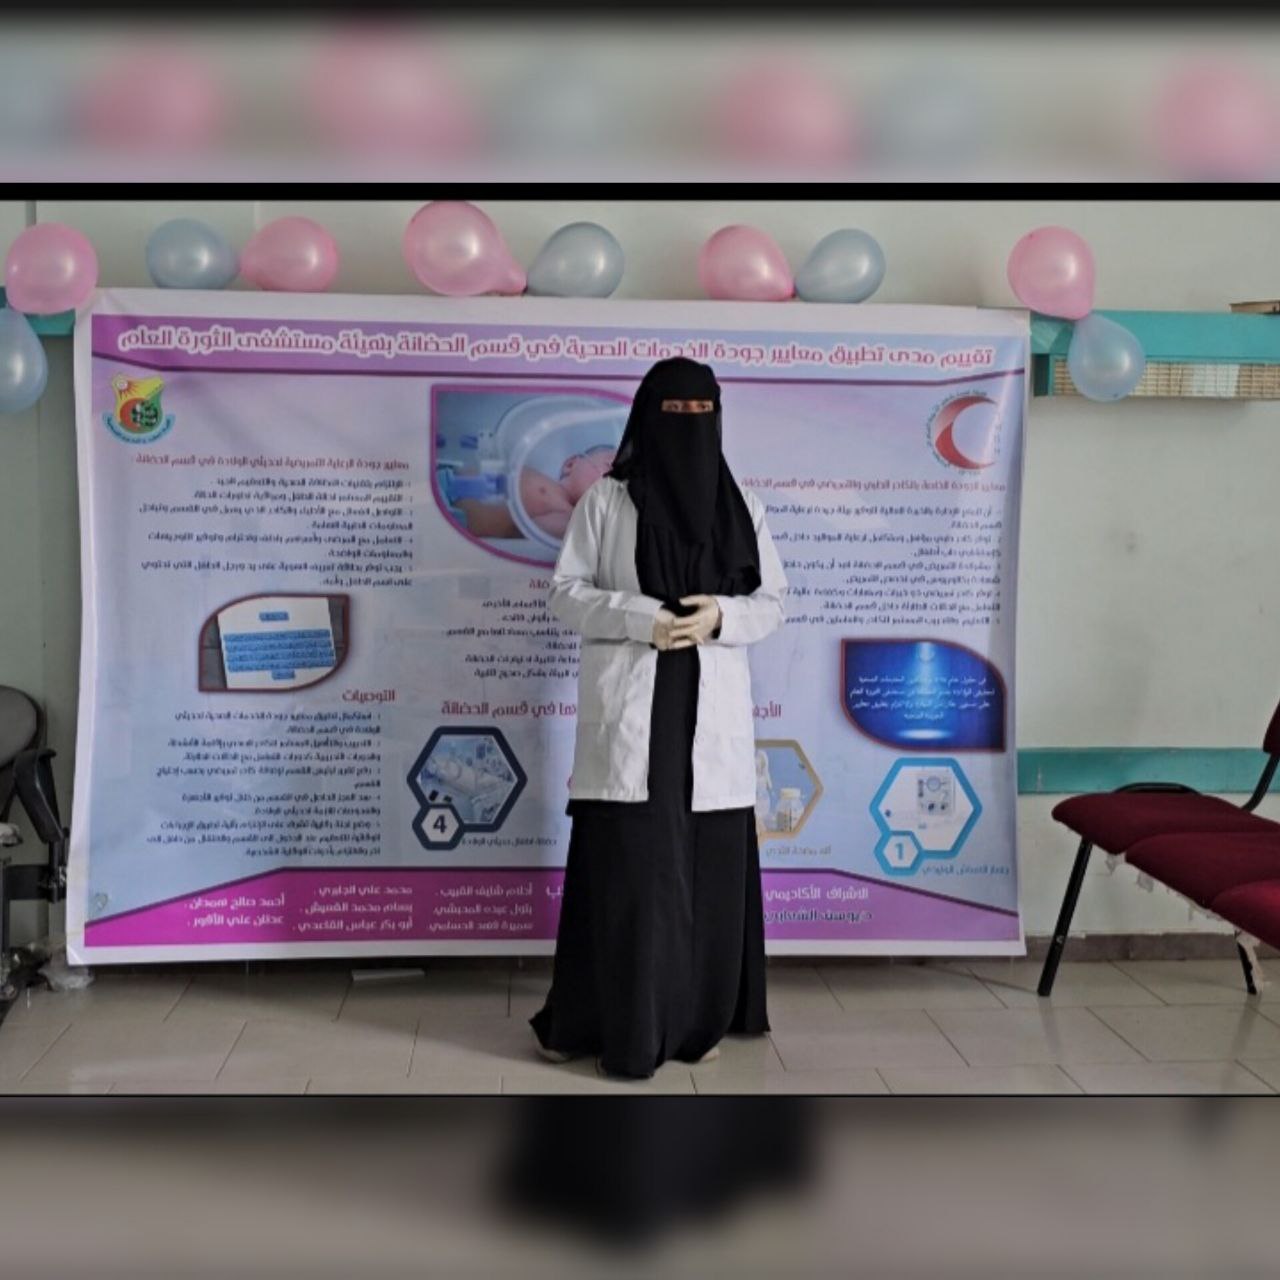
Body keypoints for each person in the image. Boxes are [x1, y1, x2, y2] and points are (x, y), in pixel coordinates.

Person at [529, 356, 788, 1079]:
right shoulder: (606, 502)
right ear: (647, 416)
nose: (688, 427)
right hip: (635, 709)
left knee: (704, 873)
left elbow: (772, 603)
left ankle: (697, 1020)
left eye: (701, 412)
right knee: (634, 875)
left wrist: (719, 616)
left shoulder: (743, 506)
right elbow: (566, 593)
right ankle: (619, 1022)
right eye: (674, 412)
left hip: (709, 712)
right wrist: (643, 619)